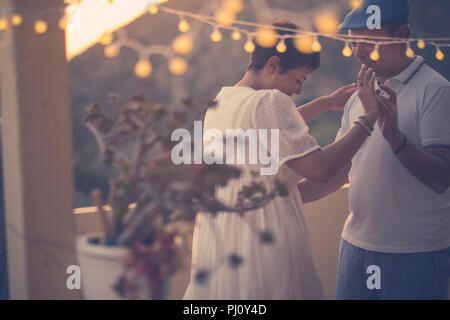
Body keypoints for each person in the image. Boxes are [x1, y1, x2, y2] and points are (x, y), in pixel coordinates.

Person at [183, 20, 381, 299]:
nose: (298, 90)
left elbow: (266, 130)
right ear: (274, 65)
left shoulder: (223, 100)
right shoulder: (269, 102)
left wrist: (324, 104)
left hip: (227, 240)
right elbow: (320, 169)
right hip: (267, 240)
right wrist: (367, 118)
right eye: (299, 79)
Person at [299, 0, 450, 299]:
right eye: (354, 44)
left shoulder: (436, 90)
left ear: (401, 34)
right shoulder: (359, 96)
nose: (359, 53)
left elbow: (441, 178)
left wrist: (395, 138)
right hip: (354, 248)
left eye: (369, 42)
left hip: (413, 253)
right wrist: (280, 200)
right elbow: (339, 171)